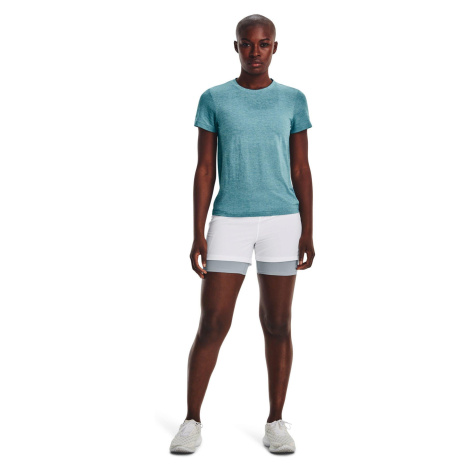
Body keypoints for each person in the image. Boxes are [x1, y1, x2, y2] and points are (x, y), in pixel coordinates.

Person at [170, 14, 315, 454]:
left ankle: (276, 422)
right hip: (229, 221)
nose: (255, 51)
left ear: (275, 47)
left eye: (263, 43)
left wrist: (308, 229)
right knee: (213, 322)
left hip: (282, 222)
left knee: (278, 323)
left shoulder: (293, 99)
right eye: (247, 44)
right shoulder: (214, 99)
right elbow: (204, 170)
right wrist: (198, 232)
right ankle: (191, 420)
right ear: (236, 47)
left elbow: (301, 168)